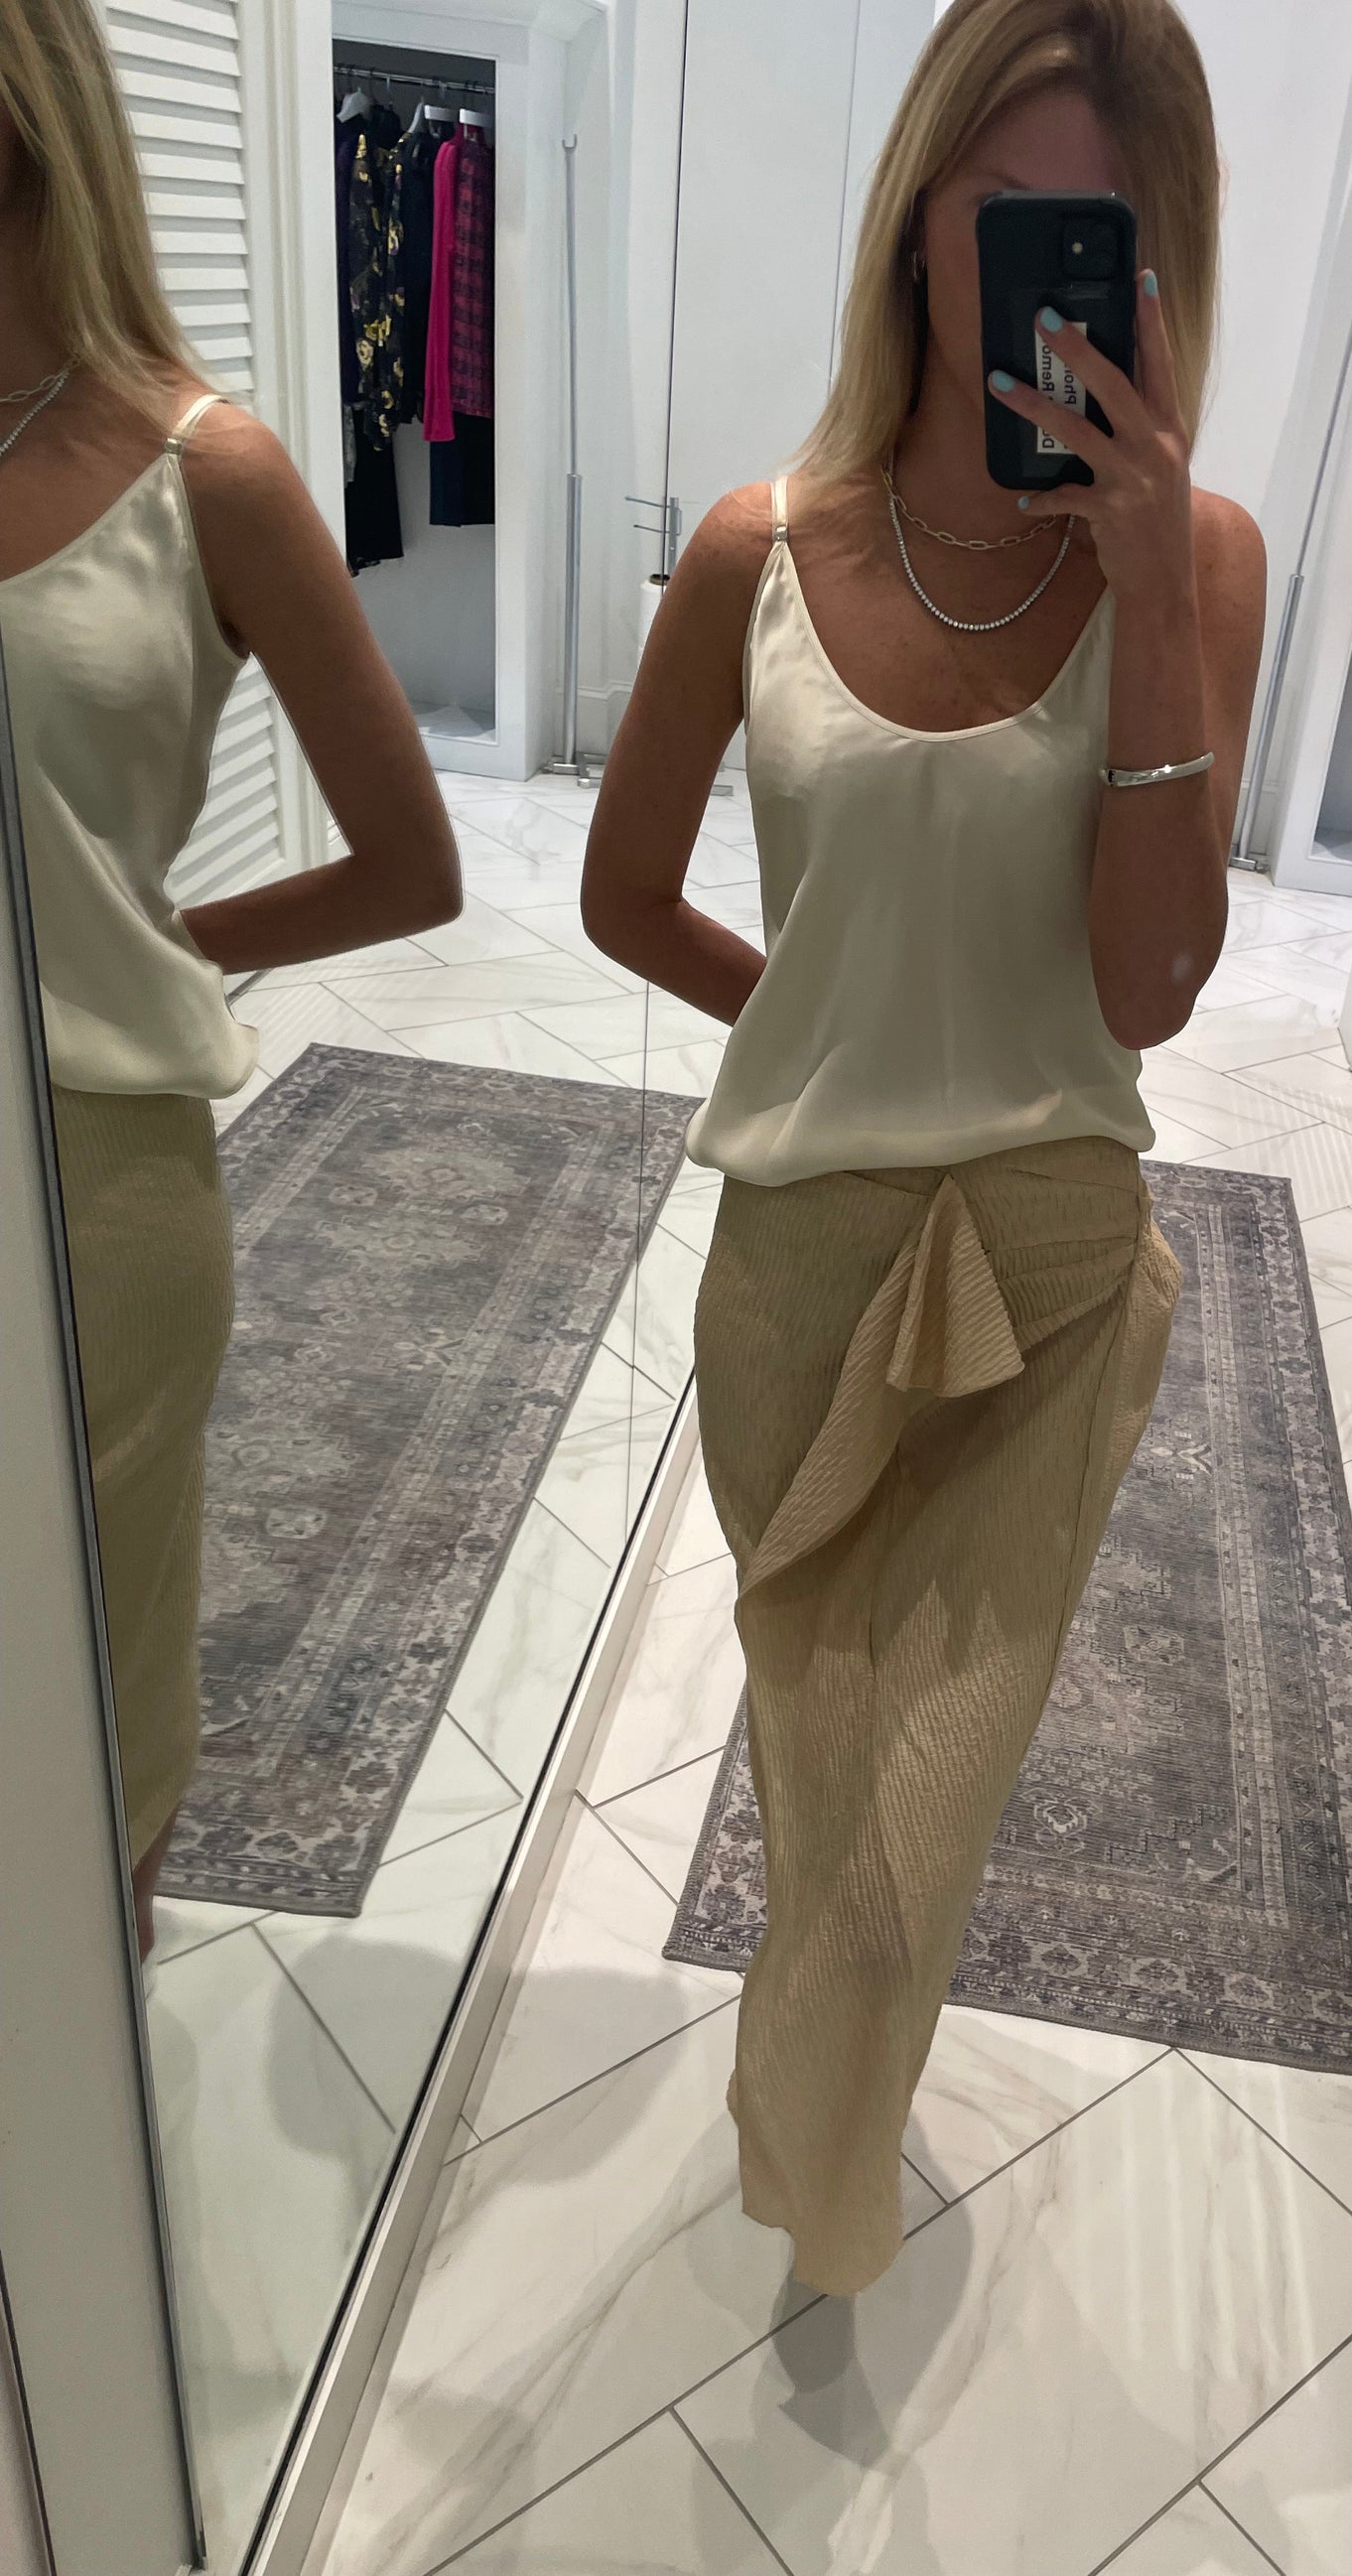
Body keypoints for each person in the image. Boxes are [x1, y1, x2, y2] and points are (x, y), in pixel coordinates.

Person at [583, 0, 1264, 2294]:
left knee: (915, 1822)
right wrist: (824, 1029)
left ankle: (828, 2176)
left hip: (1051, 1273)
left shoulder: (1205, 564)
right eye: (1005, 208)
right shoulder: (755, 549)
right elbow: (623, 896)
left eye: (1106, 226)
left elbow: (1151, 986)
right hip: (796, 1267)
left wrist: (1147, 596)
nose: (1048, 267)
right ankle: (832, 2108)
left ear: (1162, 262)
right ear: (916, 225)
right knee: (817, 1770)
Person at [0, 0, 463, 1961]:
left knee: (89, 1690)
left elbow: (410, 863)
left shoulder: (211, 473)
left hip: (92, 1167)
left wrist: (158, 940)